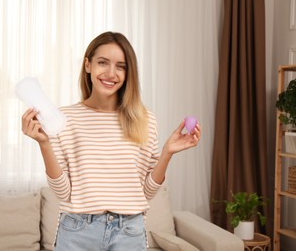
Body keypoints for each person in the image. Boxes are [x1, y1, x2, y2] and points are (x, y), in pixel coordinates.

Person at [21, 31, 201, 251]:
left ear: (128, 73)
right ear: (88, 65)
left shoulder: (145, 120)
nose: (111, 73)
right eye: (103, 63)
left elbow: (146, 193)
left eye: (121, 66)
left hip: (129, 232)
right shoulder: (64, 119)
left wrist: (167, 153)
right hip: (77, 232)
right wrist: (44, 144)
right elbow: (63, 193)